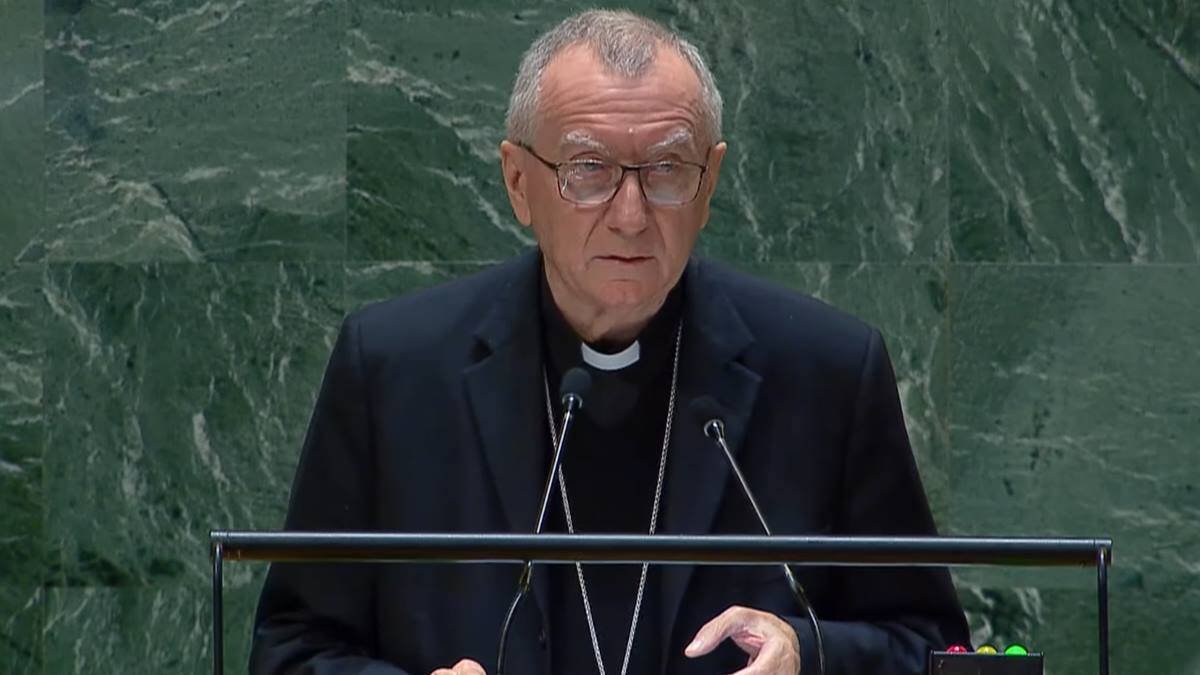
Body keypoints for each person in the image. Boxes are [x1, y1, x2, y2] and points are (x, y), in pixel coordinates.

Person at [250, 9, 969, 675]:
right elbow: (292, 646)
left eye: (665, 171)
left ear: (710, 181)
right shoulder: (396, 368)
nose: (630, 215)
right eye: (589, 171)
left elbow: (934, 646)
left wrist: (806, 650)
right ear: (518, 181)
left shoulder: (826, 371)